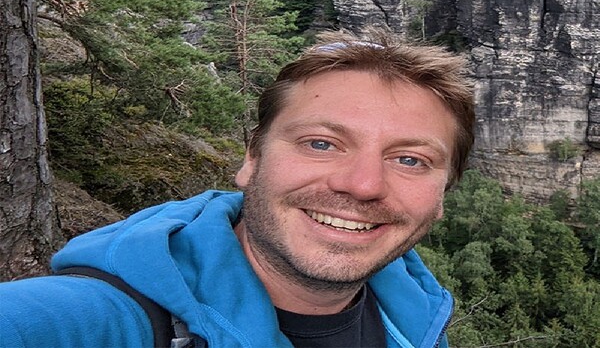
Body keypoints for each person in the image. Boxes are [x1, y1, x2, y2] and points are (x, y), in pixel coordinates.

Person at [0, 28, 475, 348]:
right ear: (252, 158)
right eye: (321, 144)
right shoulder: (99, 318)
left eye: (410, 160)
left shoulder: (415, 317)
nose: (363, 184)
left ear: (442, 195)